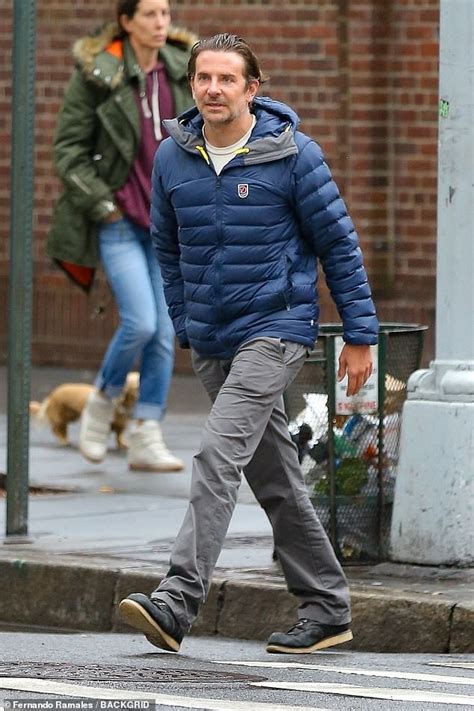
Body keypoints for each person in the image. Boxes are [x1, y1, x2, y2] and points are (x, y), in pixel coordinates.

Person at [119, 33, 379, 654]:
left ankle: (177, 600)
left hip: (277, 327)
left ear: (251, 89)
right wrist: (185, 322)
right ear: (193, 86)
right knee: (276, 478)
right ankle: (325, 608)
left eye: (226, 79)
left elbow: (338, 245)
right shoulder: (173, 158)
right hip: (214, 338)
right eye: (203, 78)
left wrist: (360, 333)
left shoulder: (293, 155)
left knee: (216, 454)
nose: (213, 89)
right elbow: (167, 250)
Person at [46, 0, 197, 472]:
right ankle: (102, 403)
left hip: (165, 224)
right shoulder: (98, 75)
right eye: (150, 14)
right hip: (118, 220)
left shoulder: (182, 71)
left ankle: (146, 431)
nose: (161, 23)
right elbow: (68, 151)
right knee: (142, 323)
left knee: (165, 331)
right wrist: (105, 208)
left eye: (166, 13)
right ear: (126, 22)